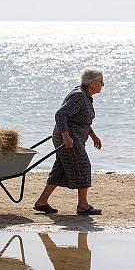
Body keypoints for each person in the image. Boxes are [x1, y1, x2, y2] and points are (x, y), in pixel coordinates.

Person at [34, 67, 104, 215]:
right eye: (100, 81)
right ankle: (83, 206)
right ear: (91, 83)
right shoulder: (79, 95)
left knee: (60, 169)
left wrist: (93, 135)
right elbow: (60, 115)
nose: (103, 84)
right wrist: (66, 136)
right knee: (84, 165)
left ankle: (41, 202)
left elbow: (81, 120)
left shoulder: (85, 96)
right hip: (69, 137)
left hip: (74, 136)